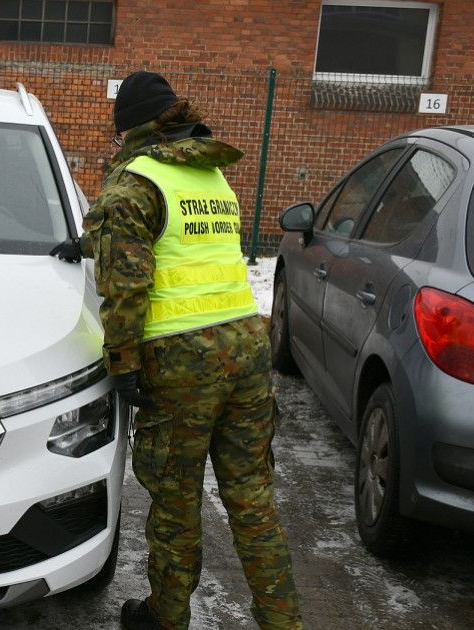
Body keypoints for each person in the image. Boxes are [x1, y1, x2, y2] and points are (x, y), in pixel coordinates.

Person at [75, 71, 303, 630]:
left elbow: (126, 283)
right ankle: (284, 621)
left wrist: (122, 362)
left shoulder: (134, 180)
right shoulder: (208, 172)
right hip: (247, 347)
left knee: (176, 505)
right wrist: (88, 238)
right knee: (252, 497)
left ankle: (165, 618)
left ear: (127, 127)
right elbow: (181, 241)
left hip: (182, 363)